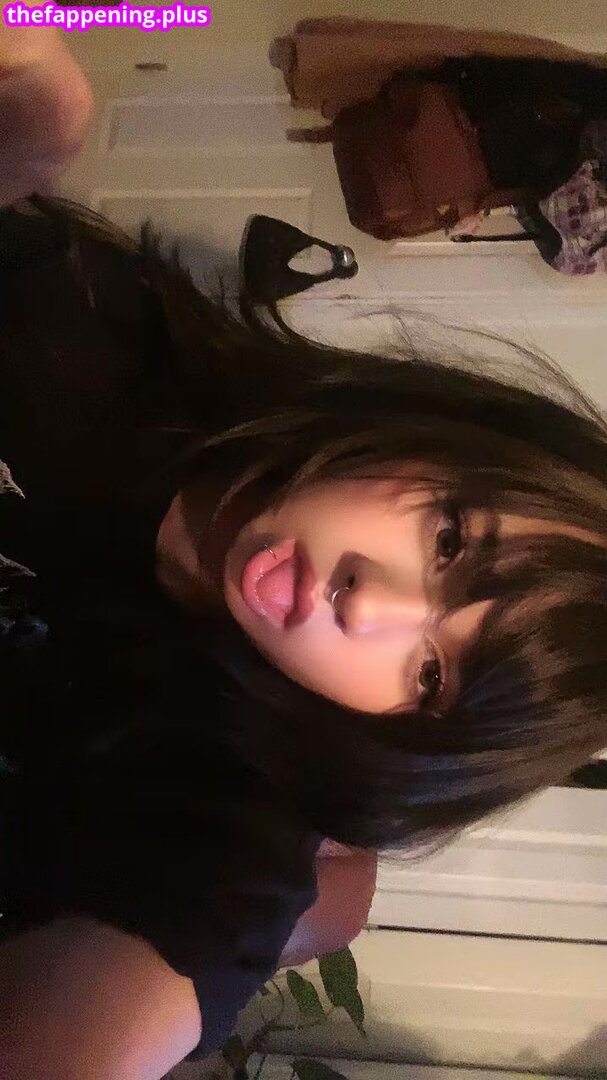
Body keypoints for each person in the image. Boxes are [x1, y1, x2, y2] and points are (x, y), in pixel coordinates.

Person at [1, 19, 607, 1080]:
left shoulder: (220, 815)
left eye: (429, 676)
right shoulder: (114, 340)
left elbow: (154, 963)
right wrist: (36, 107)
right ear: (429, 435)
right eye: (450, 539)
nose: (368, 605)